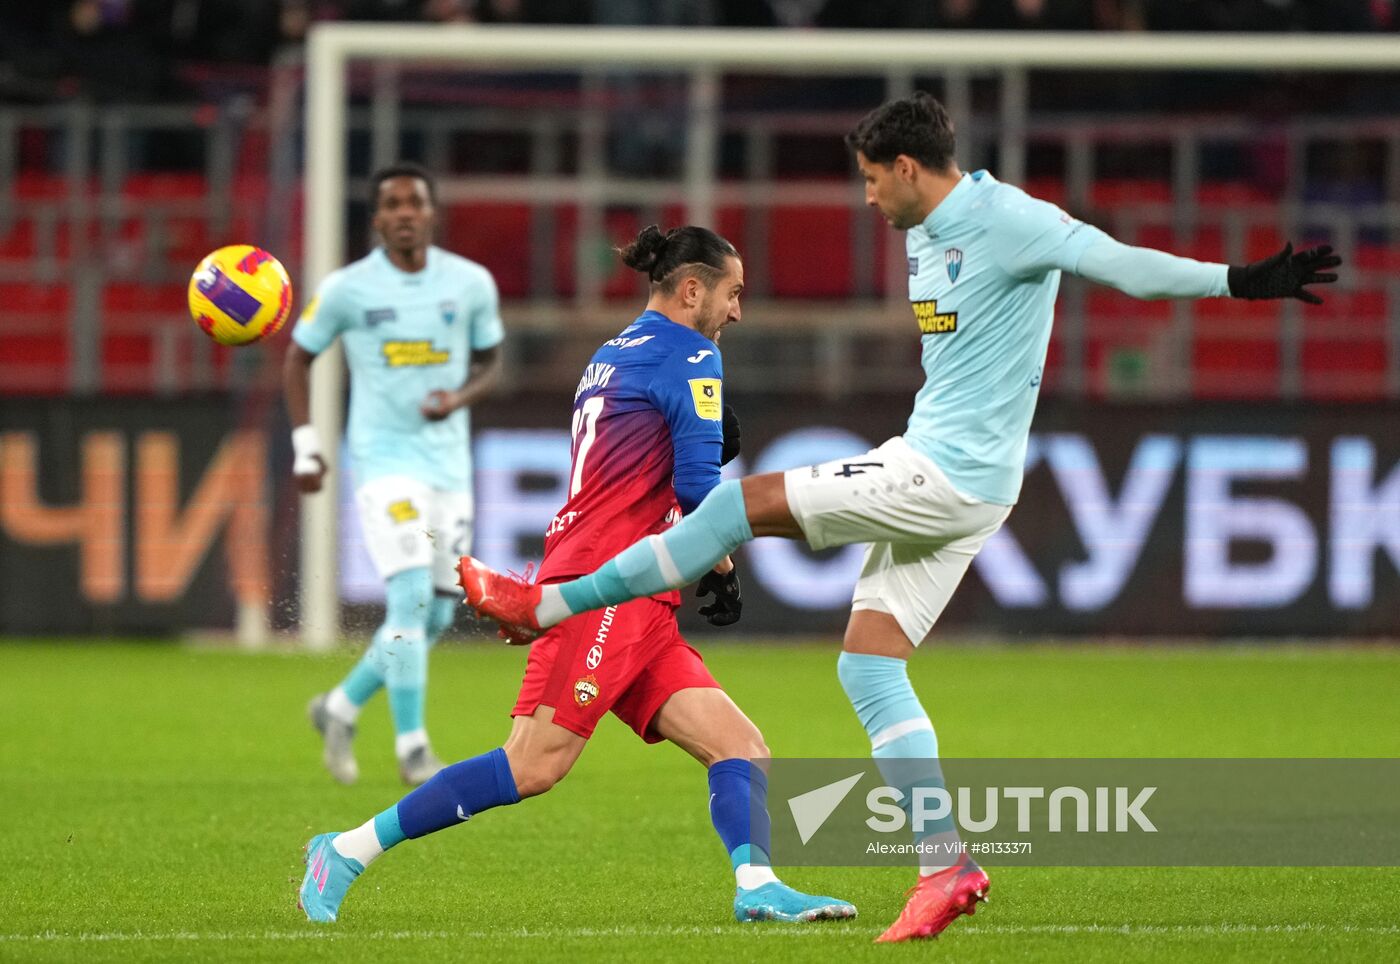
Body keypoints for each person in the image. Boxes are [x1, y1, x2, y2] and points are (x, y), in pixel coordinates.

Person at [457, 92, 1342, 942]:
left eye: (874, 179)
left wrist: (1241, 282)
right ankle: (943, 868)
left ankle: (547, 606)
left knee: (739, 502)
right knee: (870, 670)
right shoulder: (926, 238)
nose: (868, 197)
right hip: (961, 482)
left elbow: (1118, 263)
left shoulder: (1013, 221)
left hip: (943, 474)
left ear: (910, 167)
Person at [297, 224, 856, 926]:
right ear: (692, 289)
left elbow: (651, 462)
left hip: (635, 589)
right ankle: (345, 848)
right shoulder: (692, 354)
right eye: (732, 293)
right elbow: (697, 487)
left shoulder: (610, 352)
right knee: (533, 763)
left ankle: (756, 886)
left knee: (739, 744)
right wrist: (720, 561)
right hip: (609, 586)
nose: (737, 310)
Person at [284, 161, 504, 787]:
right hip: (383, 464)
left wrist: (458, 398)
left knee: (434, 617)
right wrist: (307, 445)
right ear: (377, 218)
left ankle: (339, 706)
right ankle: (413, 749)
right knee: (407, 601)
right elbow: (298, 359)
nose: (405, 212)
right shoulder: (349, 289)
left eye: (415, 202)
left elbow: (490, 360)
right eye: (392, 204)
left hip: (449, 469)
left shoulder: (469, 284)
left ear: (431, 214)